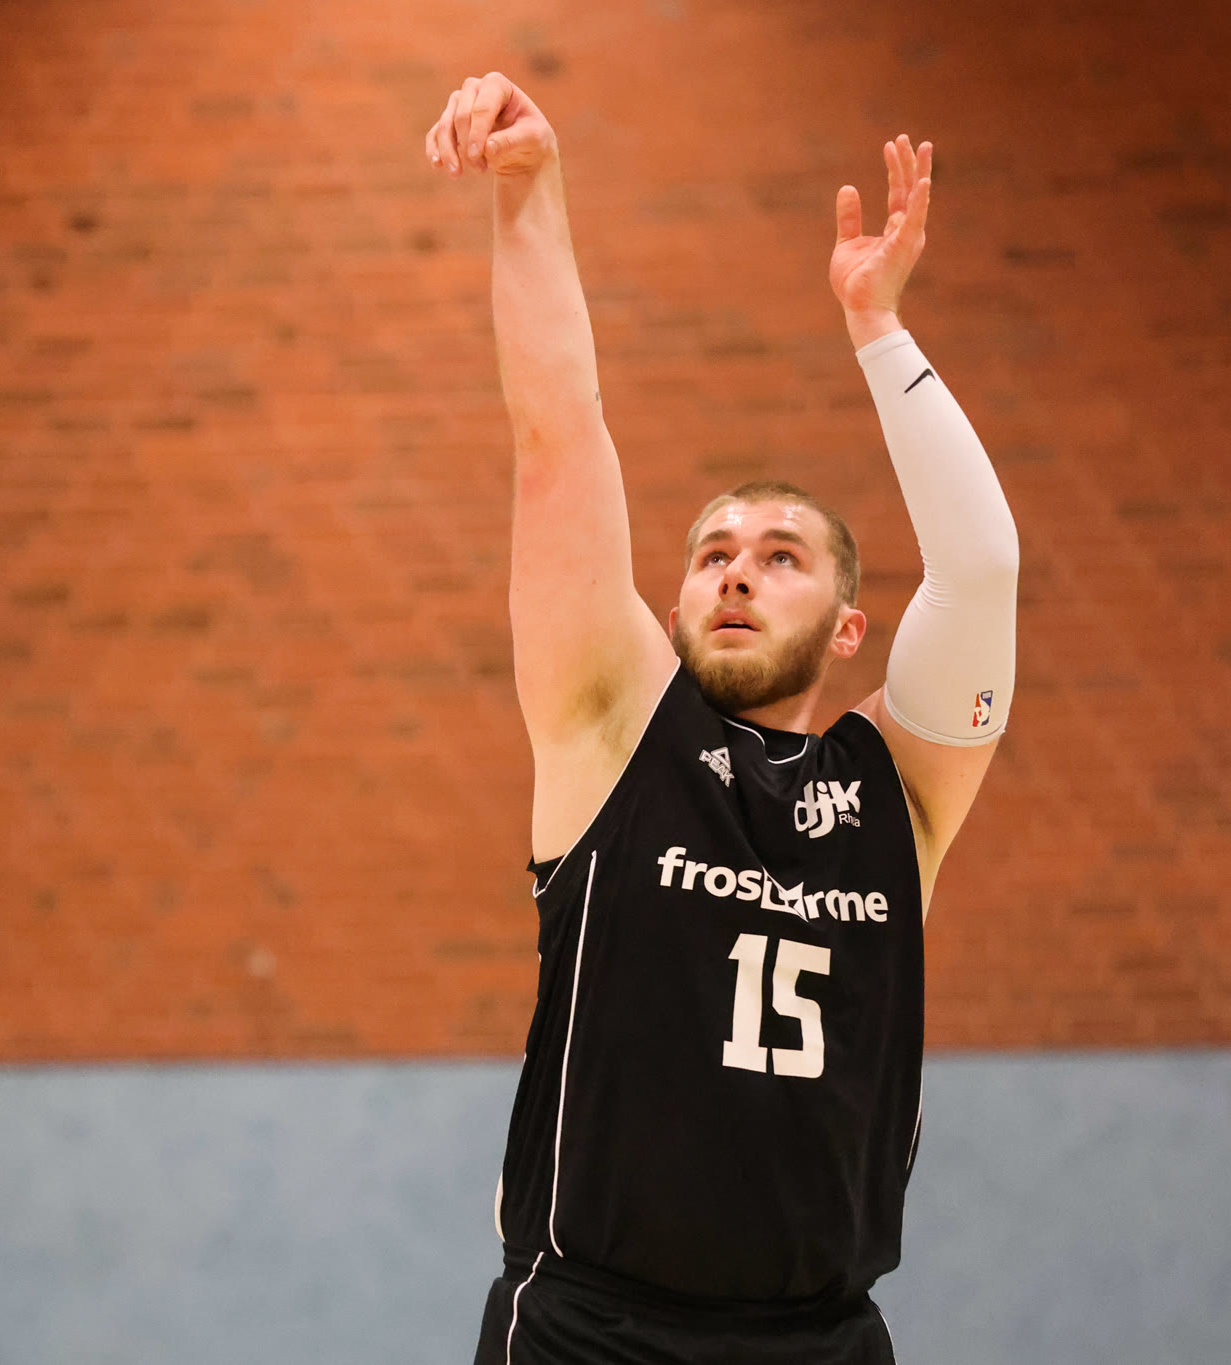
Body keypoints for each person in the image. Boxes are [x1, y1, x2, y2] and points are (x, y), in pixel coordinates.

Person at [424, 73, 1019, 1364]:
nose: (736, 572)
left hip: (819, 1337)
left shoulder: (898, 794)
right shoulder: (611, 730)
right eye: (711, 554)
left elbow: (980, 570)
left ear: (850, 627)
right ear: (674, 602)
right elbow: (557, 436)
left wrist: (878, 328)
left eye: (780, 555)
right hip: (594, 1331)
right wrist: (529, 190)